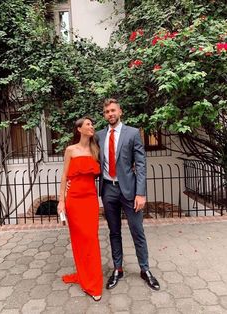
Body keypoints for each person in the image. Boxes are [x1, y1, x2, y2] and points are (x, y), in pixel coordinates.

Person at [96, 98, 160, 291]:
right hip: (108, 190)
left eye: (113, 110)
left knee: (137, 231)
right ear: (104, 115)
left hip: (130, 191)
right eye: (107, 112)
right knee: (114, 232)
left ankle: (145, 269)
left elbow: (140, 164)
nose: (110, 114)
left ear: (120, 112)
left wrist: (141, 193)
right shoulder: (99, 136)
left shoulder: (132, 133)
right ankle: (118, 269)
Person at [57, 116, 103, 301]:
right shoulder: (70, 150)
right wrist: (61, 201)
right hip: (74, 200)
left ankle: (93, 282)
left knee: (91, 239)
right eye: (88, 124)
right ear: (79, 129)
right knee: (78, 241)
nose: (91, 127)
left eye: (92, 124)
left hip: (90, 199)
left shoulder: (95, 150)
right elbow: (64, 176)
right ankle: (85, 278)